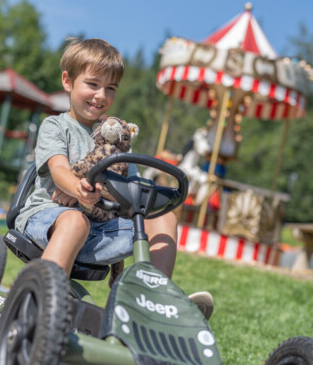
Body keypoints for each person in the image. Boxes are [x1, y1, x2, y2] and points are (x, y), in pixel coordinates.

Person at [15, 38, 213, 320]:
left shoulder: (118, 140)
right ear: (68, 81)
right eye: (93, 84)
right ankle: (40, 303)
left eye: (110, 89)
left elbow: (129, 191)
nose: (101, 95)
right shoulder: (56, 126)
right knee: (74, 220)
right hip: (47, 218)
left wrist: (120, 194)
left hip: (98, 229)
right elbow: (59, 169)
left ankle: (153, 303)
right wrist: (77, 189)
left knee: (163, 218)